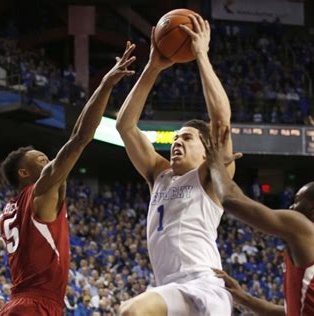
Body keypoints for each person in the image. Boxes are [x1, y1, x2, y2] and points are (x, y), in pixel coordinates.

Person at [0, 42, 136, 315]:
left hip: (21, 303)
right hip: (35, 305)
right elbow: (80, 137)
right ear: (24, 173)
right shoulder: (42, 189)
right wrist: (105, 85)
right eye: (40, 160)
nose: (49, 161)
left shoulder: (8, 211)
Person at [117, 14, 237, 316]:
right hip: (169, 286)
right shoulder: (159, 174)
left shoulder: (212, 177)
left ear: (206, 149)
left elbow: (221, 121)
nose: (176, 142)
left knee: (130, 311)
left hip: (203, 285)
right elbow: (125, 126)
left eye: (186, 138)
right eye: (174, 138)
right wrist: (153, 67)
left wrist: (201, 55)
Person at [204, 127, 314, 315]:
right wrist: (244, 298)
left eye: (297, 201)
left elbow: (231, 200)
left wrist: (215, 163)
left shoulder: (305, 228)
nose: (292, 207)